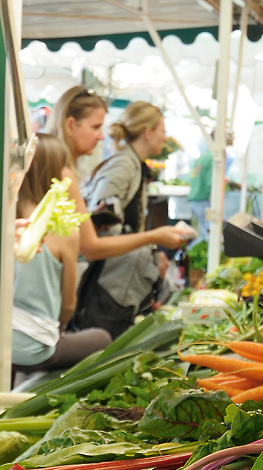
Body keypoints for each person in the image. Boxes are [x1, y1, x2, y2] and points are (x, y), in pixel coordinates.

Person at [0, 134, 112, 373]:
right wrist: (59, 328)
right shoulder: (67, 231)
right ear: (56, 171)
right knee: (102, 337)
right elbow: (68, 305)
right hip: (35, 351)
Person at [42, 86, 187, 261]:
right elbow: (93, 243)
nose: (101, 136)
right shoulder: (68, 173)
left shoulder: (56, 166)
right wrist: (155, 237)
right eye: (95, 127)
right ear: (70, 125)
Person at [73, 101, 171, 337]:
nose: (165, 138)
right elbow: (100, 221)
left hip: (114, 279)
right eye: (162, 131)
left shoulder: (133, 165)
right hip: (104, 283)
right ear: (148, 133)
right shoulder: (123, 166)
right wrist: (152, 243)